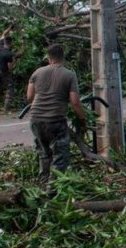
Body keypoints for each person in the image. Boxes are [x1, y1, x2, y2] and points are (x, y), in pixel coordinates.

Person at [26, 44, 87, 181]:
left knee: (44, 153)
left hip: (36, 119)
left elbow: (29, 97)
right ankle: (52, 190)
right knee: (60, 157)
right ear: (63, 57)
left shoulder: (36, 72)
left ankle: (43, 183)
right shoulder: (69, 75)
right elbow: (75, 102)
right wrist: (82, 120)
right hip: (55, 121)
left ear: (49, 58)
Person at [0, 36, 15, 110]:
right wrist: (15, 62)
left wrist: (9, 28)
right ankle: (7, 106)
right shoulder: (9, 54)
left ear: (4, 42)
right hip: (3, 72)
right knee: (10, 86)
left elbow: (3, 35)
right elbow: (10, 67)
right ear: (11, 43)